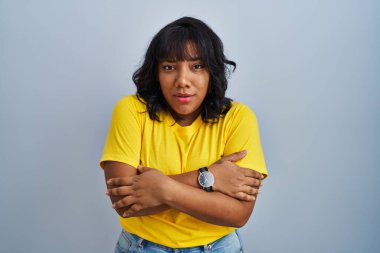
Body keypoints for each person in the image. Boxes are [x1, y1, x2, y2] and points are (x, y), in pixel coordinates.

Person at [100, 16, 268, 253]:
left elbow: (239, 214)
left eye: (196, 66)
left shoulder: (238, 118)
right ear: (156, 73)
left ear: (213, 71)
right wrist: (210, 177)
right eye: (169, 67)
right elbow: (124, 203)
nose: (182, 81)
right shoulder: (131, 110)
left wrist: (162, 188)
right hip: (141, 247)